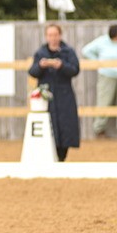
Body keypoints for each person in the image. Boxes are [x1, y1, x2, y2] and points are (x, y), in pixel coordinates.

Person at [29, 23, 80, 161]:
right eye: (50, 35)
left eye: (55, 35)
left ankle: (62, 157)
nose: (53, 38)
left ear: (60, 35)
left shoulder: (68, 52)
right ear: (46, 36)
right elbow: (32, 72)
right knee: (49, 126)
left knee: (65, 126)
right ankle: (49, 157)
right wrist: (41, 65)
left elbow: (75, 70)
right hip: (47, 97)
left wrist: (61, 65)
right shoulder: (40, 53)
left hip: (64, 95)